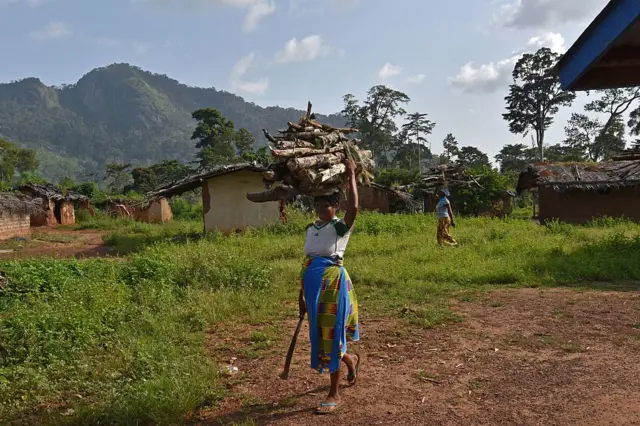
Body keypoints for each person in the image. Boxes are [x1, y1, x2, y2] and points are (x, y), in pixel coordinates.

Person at [300, 159, 360, 415]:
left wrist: (352, 175)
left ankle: (333, 392)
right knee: (321, 334)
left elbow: (355, 207)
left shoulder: (339, 227)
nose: (323, 208)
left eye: (328, 205)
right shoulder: (311, 228)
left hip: (333, 283)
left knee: (332, 334)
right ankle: (350, 359)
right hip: (312, 286)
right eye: (319, 204)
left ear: (336, 207)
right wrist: (301, 295)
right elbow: (307, 262)